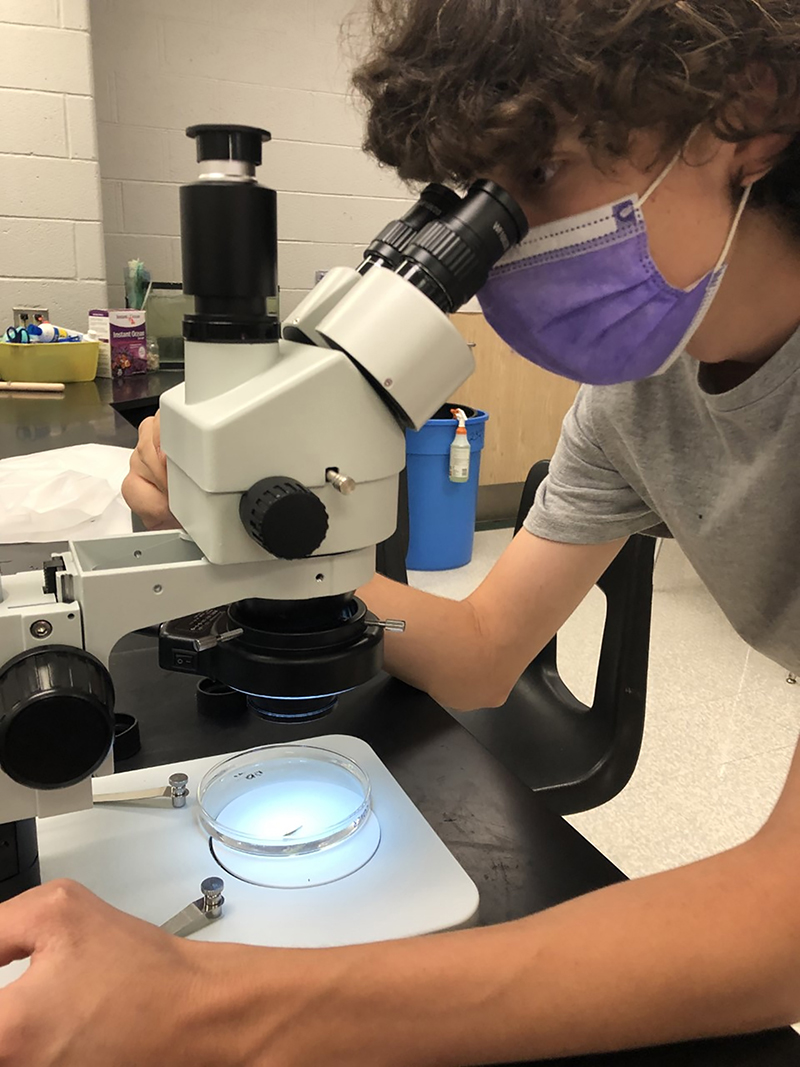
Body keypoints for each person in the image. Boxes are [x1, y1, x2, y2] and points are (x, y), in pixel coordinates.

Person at [3, 1, 800, 1063]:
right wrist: (229, 544)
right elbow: (480, 652)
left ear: (743, 107)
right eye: (475, 199)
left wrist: (209, 1002)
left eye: (535, 178)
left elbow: (776, 927)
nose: (503, 247)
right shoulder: (637, 400)